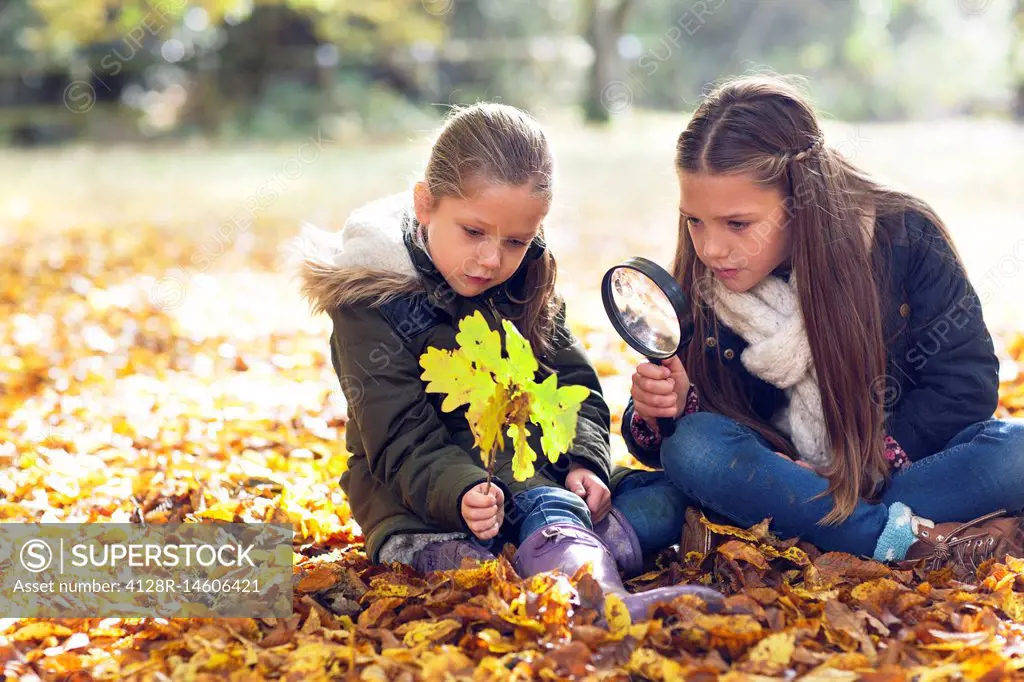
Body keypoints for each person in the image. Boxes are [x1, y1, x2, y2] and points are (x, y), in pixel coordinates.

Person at [289, 103, 720, 619]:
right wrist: (462, 492)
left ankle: (556, 552)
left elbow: (573, 383)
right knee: (479, 552)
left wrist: (584, 460)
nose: (492, 260)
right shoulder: (372, 303)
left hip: (540, 478)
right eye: (473, 232)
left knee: (668, 498)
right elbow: (398, 439)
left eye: (515, 241)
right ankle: (596, 593)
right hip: (424, 507)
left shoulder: (524, 277)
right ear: (425, 204)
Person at [623, 75, 1024, 580]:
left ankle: (821, 528)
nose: (710, 248)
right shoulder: (706, 282)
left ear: (798, 199)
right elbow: (685, 437)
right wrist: (670, 407)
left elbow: (965, 382)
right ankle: (906, 540)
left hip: (895, 471)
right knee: (693, 448)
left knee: (1016, 453)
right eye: (694, 221)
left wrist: (862, 470)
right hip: (783, 476)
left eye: (738, 224)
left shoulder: (903, 236)